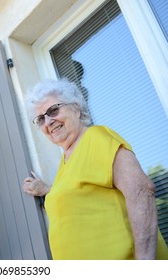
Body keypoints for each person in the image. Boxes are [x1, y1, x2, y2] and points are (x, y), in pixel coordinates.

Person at [22, 79, 168, 260]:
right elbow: (81, 194)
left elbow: (141, 191)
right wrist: (47, 190)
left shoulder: (96, 138)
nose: (48, 121)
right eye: (41, 118)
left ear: (76, 109)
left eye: (53, 110)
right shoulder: (65, 162)